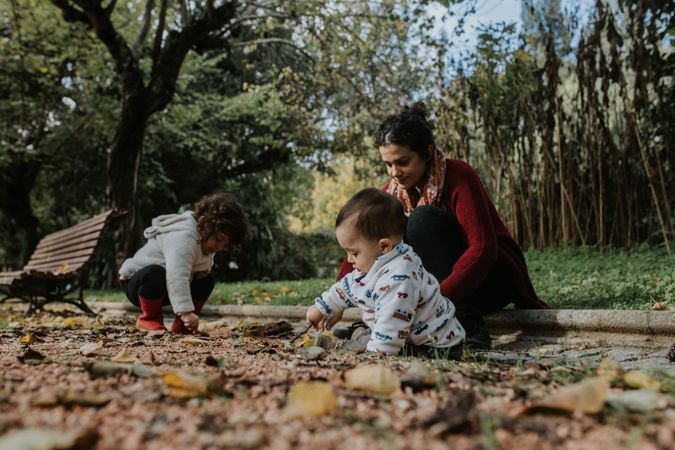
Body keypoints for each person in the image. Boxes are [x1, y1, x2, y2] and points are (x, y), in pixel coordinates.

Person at [335, 103, 550, 349]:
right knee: (391, 238)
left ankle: (467, 325)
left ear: (427, 152)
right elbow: (362, 241)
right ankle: (389, 328)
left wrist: (434, 301)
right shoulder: (392, 193)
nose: (395, 172)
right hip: (436, 291)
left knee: (422, 219)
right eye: (388, 164)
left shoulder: (459, 176)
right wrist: (335, 300)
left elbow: (482, 250)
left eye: (402, 162)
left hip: (489, 279)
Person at [306, 188, 465, 356]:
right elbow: (348, 286)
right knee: (375, 335)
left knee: (382, 340)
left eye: (353, 253)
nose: (349, 259)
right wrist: (321, 307)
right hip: (404, 331)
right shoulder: (378, 261)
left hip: (434, 345)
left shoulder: (399, 277)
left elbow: (393, 320)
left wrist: (375, 355)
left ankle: (367, 341)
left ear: (384, 246)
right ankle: (367, 337)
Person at [119, 192, 249, 333]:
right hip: (138, 284)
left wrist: (202, 270)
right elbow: (177, 275)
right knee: (156, 273)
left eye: (225, 244)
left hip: (165, 288)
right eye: (218, 239)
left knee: (206, 281)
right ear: (204, 222)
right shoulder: (184, 237)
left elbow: (199, 260)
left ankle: (183, 327)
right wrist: (186, 312)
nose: (219, 247)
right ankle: (149, 319)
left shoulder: (204, 237)